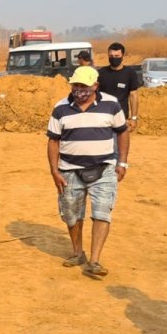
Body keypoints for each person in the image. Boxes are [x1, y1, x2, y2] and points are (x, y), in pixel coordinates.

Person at [46, 66, 129, 277]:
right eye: (76, 85)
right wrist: (54, 171)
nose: (79, 89)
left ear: (95, 85)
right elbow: (53, 141)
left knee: (102, 213)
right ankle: (77, 252)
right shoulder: (60, 108)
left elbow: (122, 132)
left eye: (84, 86)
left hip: (104, 169)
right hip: (69, 171)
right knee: (71, 215)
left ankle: (94, 260)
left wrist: (122, 162)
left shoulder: (111, 104)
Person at [97, 42, 142, 132]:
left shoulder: (130, 73)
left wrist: (133, 118)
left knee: (120, 145)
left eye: (117, 56)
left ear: (122, 56)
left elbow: (133, 95)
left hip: (121, 118)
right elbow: (95, 95)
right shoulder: (101, 73)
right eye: (111, 56)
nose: (113, 58)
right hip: (103, 117)